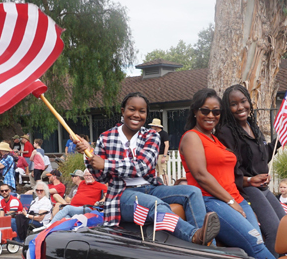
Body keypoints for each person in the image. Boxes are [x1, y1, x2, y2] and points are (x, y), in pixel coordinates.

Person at [77, 91, 219, 246]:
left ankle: (207, 246)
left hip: (150, 188)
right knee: (155, 205)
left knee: (192, 191)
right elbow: (101, 177)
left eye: (142, 111)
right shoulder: (106, 137)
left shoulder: (151, 136)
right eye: (132, 109)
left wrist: (106, 164)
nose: (136, 114)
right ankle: (194, 236)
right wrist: (88, 156)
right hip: (121, 195)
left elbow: (143, 167)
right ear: (123, 111)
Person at [179, 88, 274, 259]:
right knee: (255, 245)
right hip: (213, 200)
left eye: (216, 111)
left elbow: (227, 174)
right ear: (195, 111)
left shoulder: (215, 139)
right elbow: (201, 174)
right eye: (205, 110)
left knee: (257, 243)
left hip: (237, 199)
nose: (211, 115)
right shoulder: (191, 137)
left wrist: (249, 181)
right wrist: (230, 201)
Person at [216, 84, 284, 254]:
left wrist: (280, 140)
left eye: (243, 101)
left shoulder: (252, 126)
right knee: (274, 231)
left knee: (285, 226)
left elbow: (262, 157)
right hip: (247, 189)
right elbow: (230, 167)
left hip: (263, 188)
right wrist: (248, 180)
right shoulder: (226, 132)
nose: (240, 107)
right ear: (227, 107)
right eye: (234, 104)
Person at [149, 118, 170, 185]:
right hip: (156, 155)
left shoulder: (164, 134)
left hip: (161, 154)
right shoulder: (153, 134)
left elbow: (167, 145)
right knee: (157, 171)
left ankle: (167, 185)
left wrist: (164, 156)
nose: (152, 127)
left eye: (153, 126)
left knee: (163, 171)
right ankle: (158, 184)